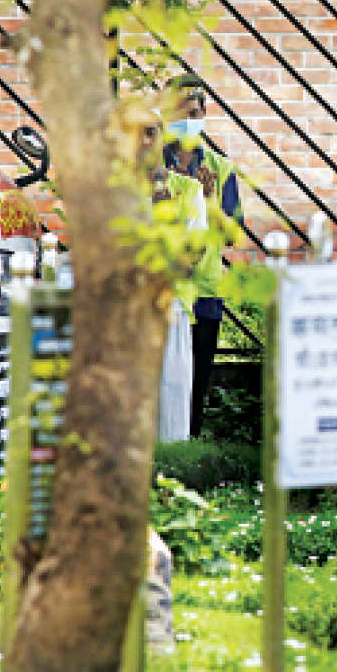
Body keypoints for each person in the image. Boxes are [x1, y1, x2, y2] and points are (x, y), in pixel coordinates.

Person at [161, 74, 243, 438]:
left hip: (204, 290)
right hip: (161, 288)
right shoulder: (152, 166)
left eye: (193, 113)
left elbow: (231, 235)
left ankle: (189, 447)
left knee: (196, 382)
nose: (186, 120)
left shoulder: (221, 169)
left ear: (204, 115)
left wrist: (208, 202)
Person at [140, 112, 206, 443]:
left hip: (172, 312)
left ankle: (171, 474)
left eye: (150, 132)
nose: (142, 141)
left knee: (171, 416)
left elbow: (188, 264)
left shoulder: (189, 191)